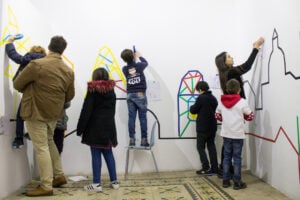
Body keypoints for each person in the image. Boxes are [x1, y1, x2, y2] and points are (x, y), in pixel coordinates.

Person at [13, 36, 75, 197]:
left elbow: (17, 84)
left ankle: (46, 185)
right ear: (63, 50)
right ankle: (59, 175)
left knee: (41, 147)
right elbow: (70, 96)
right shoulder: (68, 70)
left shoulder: (37, 65)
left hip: (35, 111)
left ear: (49, 47)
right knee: (49, 142)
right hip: (54, 114)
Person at [215, 37, 264, 177]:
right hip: (237, 109)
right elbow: (247, 66)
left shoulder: (225, 74)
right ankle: (230, 173)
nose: (232, 57)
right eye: (229, 57)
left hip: (229, 112)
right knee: (234, 149)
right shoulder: (231, 73)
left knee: (227, 144)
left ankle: (224, 171)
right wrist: (255, 48)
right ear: (224, 62)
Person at [77, 68, 119, 192]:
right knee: (109, 153)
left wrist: (80, 129)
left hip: (95, 128)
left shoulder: (92, 90)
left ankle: (96, 184)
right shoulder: (112, 91)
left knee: (96, 154)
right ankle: (114, 181)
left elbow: (86, 110)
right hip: (109, 127)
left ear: (94, 77)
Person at [5, 36, 46, 149]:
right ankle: (32, 134)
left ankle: (19, 140)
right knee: (38, 115)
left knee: (20, 116)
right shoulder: (47, 63)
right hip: (42, 94)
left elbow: (14, 55)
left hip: (28, 93)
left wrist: (9, 42)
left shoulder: (27, 59)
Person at [215, 79, 254, 190]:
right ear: (239, 90)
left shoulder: (221, 101)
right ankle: (237, 182)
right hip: (238, 134)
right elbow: (250, 116)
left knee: (226, 157)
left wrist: (225, 120)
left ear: (227, 89)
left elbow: (217, 115)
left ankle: (226, 181)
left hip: (226, 133)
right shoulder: (242, 102)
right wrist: (243, 117)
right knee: (237, 158)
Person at [121, 48, 149, 146]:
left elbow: (131, 67)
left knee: (131, 118)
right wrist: (139, 56)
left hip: (130, 95)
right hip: (140, 94)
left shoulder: (124, 69)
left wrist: (133, 59)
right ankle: (144, 140)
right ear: (133, 56)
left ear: (124, 60)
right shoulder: (140, 66)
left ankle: (132, 139)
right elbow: (146, 62)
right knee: (142, 118)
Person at [190, 81, 218, 176]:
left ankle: (206, 167)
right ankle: (215, 168)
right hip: (212, 126)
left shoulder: (201, 98)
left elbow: (193, 110)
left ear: (201, 89)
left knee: (200, 147)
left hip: (202, 127)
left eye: (198, 90)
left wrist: (191, 106)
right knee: (211, 146)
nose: (198, 92)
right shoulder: (213, 98)